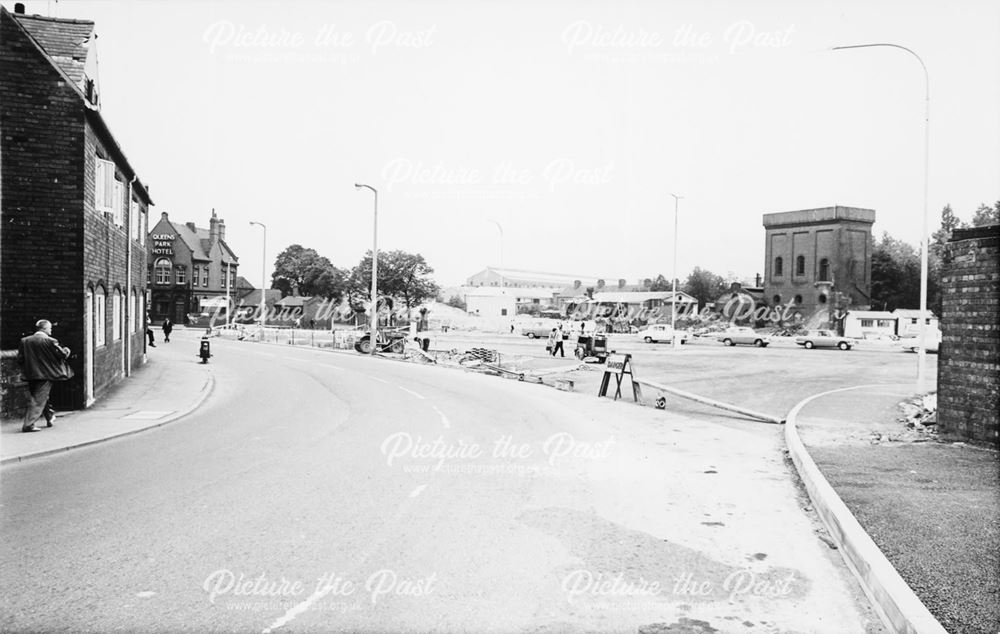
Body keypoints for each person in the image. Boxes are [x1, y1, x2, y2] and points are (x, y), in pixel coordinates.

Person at [17, 320, 72, 432]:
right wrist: (67, 350)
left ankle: (50, 416)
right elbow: (62, 355)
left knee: (39, 396)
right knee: (38, 399)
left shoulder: (25, 341)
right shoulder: (50, 341)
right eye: (50, 328)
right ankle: (28, 425)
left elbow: (20, 359)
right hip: (45, 375)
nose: (51, 330)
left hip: (31, 374)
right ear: (44, 329)